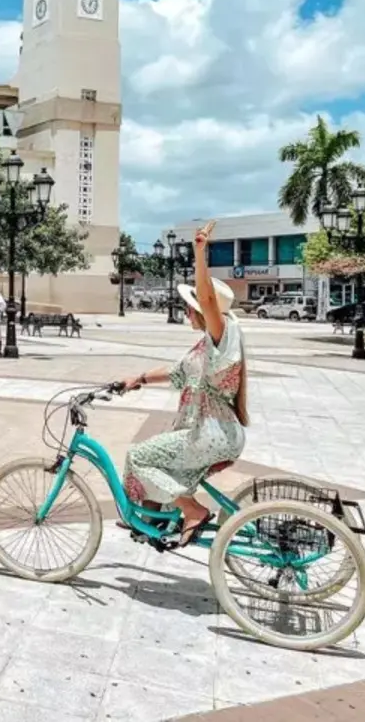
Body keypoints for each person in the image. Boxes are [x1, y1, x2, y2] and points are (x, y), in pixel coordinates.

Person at [117, 220, 249, 546]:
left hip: (211, 434)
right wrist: (138, 379)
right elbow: (177, 371)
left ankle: (192, 511)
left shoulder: (222, 335)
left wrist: (199, 253)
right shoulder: (207, 344)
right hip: (215, 434)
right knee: (161, 463)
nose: (187, 312)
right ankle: (150, 524)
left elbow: (206, 298)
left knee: (139, 457)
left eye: (191, 307)